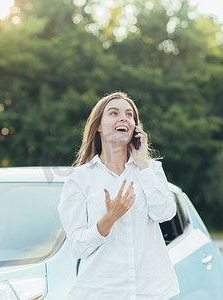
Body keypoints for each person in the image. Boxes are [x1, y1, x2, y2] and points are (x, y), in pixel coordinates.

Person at [58, 92, 180, 300]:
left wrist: (142, 163)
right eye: (113, 113)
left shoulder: (151, 169)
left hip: (150, 291)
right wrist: (109, 218)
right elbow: (77, 246)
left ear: (135, 128)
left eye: (129, 115)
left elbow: (165, 213)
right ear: (98, 126)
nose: (123, 118)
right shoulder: (80, 179)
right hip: (101, 292)